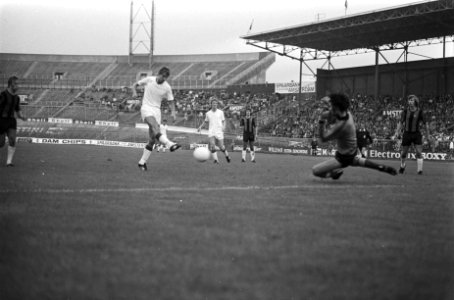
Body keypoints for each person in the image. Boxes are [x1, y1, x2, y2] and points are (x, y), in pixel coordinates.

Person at [312, 93, 397, 180]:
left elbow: (323, 138)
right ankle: (381, 167)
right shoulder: (347, 113)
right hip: (352, 153)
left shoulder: (341, 127)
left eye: (332, 106)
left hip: (343, 158)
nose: (331, 108)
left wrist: (321, 120)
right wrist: (328, 102)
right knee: (361, 162)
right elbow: (332, 108)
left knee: (315, 170)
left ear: (337, 108)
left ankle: (334, 173)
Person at [132, 67, 181, 171]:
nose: (163, 79)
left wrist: (173, 112)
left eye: (165, 77)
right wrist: (134, 92)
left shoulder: (167, 87)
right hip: (146, 108)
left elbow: (171, 100)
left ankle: (142, 162)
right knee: (154, 126)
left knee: (152, 140)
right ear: (158, 74)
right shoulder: (149, 79)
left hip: (157, 111)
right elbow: (135, 85)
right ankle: (169, 144)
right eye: (162, 76)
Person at [392, 94, 430, 175]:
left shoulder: (420, 111)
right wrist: (396, 132)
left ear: (415, 101)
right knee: (403, 153)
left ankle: (419, 170)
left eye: (412, 100)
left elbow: (425, 123)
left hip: (416, 134)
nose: (410, 101)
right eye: (409, 100)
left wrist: (428, 135)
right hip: (407, 134)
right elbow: (400, 122)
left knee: (419, 153)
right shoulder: (405, 111)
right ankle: (402, 165)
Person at [0, 76, 26, 167]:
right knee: (1, 143)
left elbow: (17, 109)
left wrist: (22, 116)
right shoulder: (2, 95)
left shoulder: (17, 98)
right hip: (1, 121)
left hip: (11, 120)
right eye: (17, 84)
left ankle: (9, 162)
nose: (18, 86)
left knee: (12, 139)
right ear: (11, 84)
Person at [197, 99, 231, 164]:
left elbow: (224, 121)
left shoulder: (220, 112)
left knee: (221, 147)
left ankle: (227, 156)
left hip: (219, 131)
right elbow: (205, 122)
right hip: (211, 131)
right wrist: (200, 127)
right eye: (213, 103)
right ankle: (216, 160)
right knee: (212, 145)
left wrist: (224, 127)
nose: (214, 104)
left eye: (215, 103)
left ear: (217, 104)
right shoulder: (208, 113)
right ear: (211, 104)